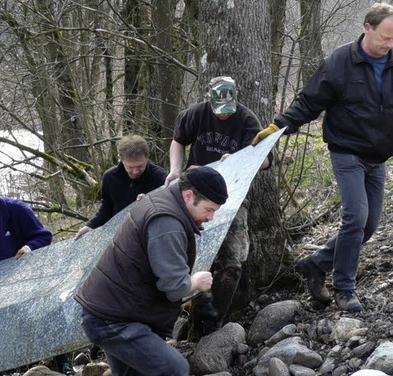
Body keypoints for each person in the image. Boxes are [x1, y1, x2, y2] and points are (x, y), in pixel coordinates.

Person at [252, 2, 393, 313]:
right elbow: (309, 103)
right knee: (356, 218)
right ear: (368, 27)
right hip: (346, 151)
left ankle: (316, 264)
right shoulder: (339, 62)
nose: (388, 44)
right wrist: (278, 128)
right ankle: (344, 289)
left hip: (378, 156)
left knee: (369, 224)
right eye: (384, 38)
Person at [75, 166, 228, 376]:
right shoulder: (167, 222)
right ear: (189, 195)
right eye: (209, 210)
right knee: (175, 369)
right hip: (112, 319)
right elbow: (174, 287)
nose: (211, 218)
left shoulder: (162, 197)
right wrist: (195, 282)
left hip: (112, 311)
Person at [164, 76, 272, 337]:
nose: (223, 116)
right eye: (218, 111)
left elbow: (266, 161)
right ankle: (179, 314)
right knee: (187, 253)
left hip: (231, 193)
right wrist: (175, 170)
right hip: (194, 191)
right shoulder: (194, 114)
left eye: (228, 111)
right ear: (208, 99)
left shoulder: (247, 120)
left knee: (232, 261)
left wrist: (240, 159)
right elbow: (178, 140)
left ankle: (211, 324)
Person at [74, 135, 166, 240]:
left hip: (150, 234)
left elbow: (168, 209)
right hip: (118, 235)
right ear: (122, 160)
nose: (135, 172)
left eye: (140, 166)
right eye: (130, 167)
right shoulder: (110, 177)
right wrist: (91, 225)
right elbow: (107, 208)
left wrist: (150, 202)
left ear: (146, 158)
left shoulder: (159, 176)